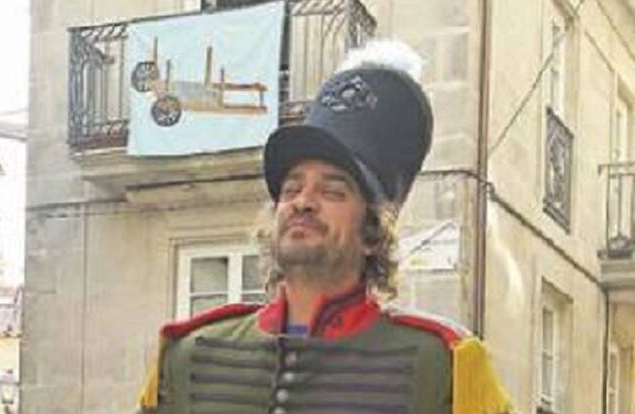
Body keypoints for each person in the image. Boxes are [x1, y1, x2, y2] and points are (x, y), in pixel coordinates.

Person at [138, 40, 513, 414]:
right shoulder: (187, 355)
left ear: (372, 233)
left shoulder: (441, 366)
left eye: (333, 191)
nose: (303, 201)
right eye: (291, 189)